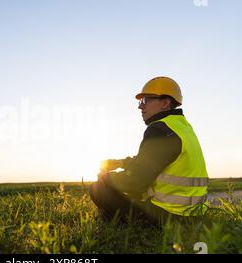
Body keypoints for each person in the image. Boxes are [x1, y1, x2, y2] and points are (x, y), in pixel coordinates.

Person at [90, 76, 209, 225]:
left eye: (146, 100)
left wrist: (106, 178)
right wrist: (121, 162)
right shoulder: (182, 127)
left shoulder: (159, 129)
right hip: (194, 214)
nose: (140, 107)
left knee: (97, 188)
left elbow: (134, 181)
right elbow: (150, 162)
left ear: (165, 103)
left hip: (169, 217)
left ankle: (115, 221)